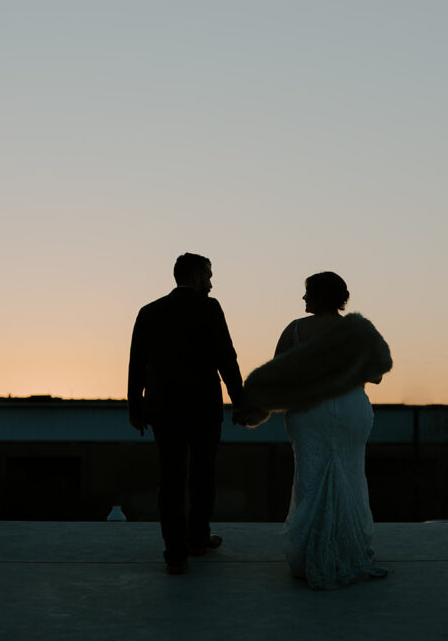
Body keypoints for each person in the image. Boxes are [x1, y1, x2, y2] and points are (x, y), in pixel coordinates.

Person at [236, 271, 392, 590]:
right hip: (351, 410)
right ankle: (351, 552)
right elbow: (378, 371)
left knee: (311, 478)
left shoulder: (295, 330)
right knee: (350, 476)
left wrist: (251, 404)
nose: (304, 299)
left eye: (307, 293)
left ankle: (311, 557)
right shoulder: (359, 330)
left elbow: (274, 377)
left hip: (309, 412)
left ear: (320, 296)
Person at [128, 253, 244, 574]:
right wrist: (240, 401)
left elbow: (137, 364)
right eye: (208, 275)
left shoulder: (149, 312)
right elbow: (226, 357)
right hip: (204, 406)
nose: (211, 283)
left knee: (171, 477)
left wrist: (135, 407)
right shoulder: (209, 308)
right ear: (194, 277)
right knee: (203, 473)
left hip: (163, 407)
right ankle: (198, 539)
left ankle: (175, 553)